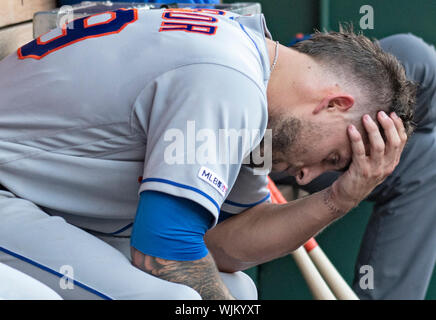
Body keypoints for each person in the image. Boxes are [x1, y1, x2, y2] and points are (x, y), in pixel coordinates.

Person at [0, 7, 415, 300]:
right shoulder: (229, 78)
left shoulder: (251, 70)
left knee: (238, 289)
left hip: (34, 196)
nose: (307, 177)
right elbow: (164, 247)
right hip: (7, 193)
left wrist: (340, 198)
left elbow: (220, 245)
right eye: (333, 159)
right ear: (335, 104)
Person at [272, 32, 436, 300]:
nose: (304, 178)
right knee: (415, 55)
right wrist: (339, 199)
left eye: (335, 161)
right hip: (264, 137)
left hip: (303, 103)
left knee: (428, 157)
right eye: (335, 160)